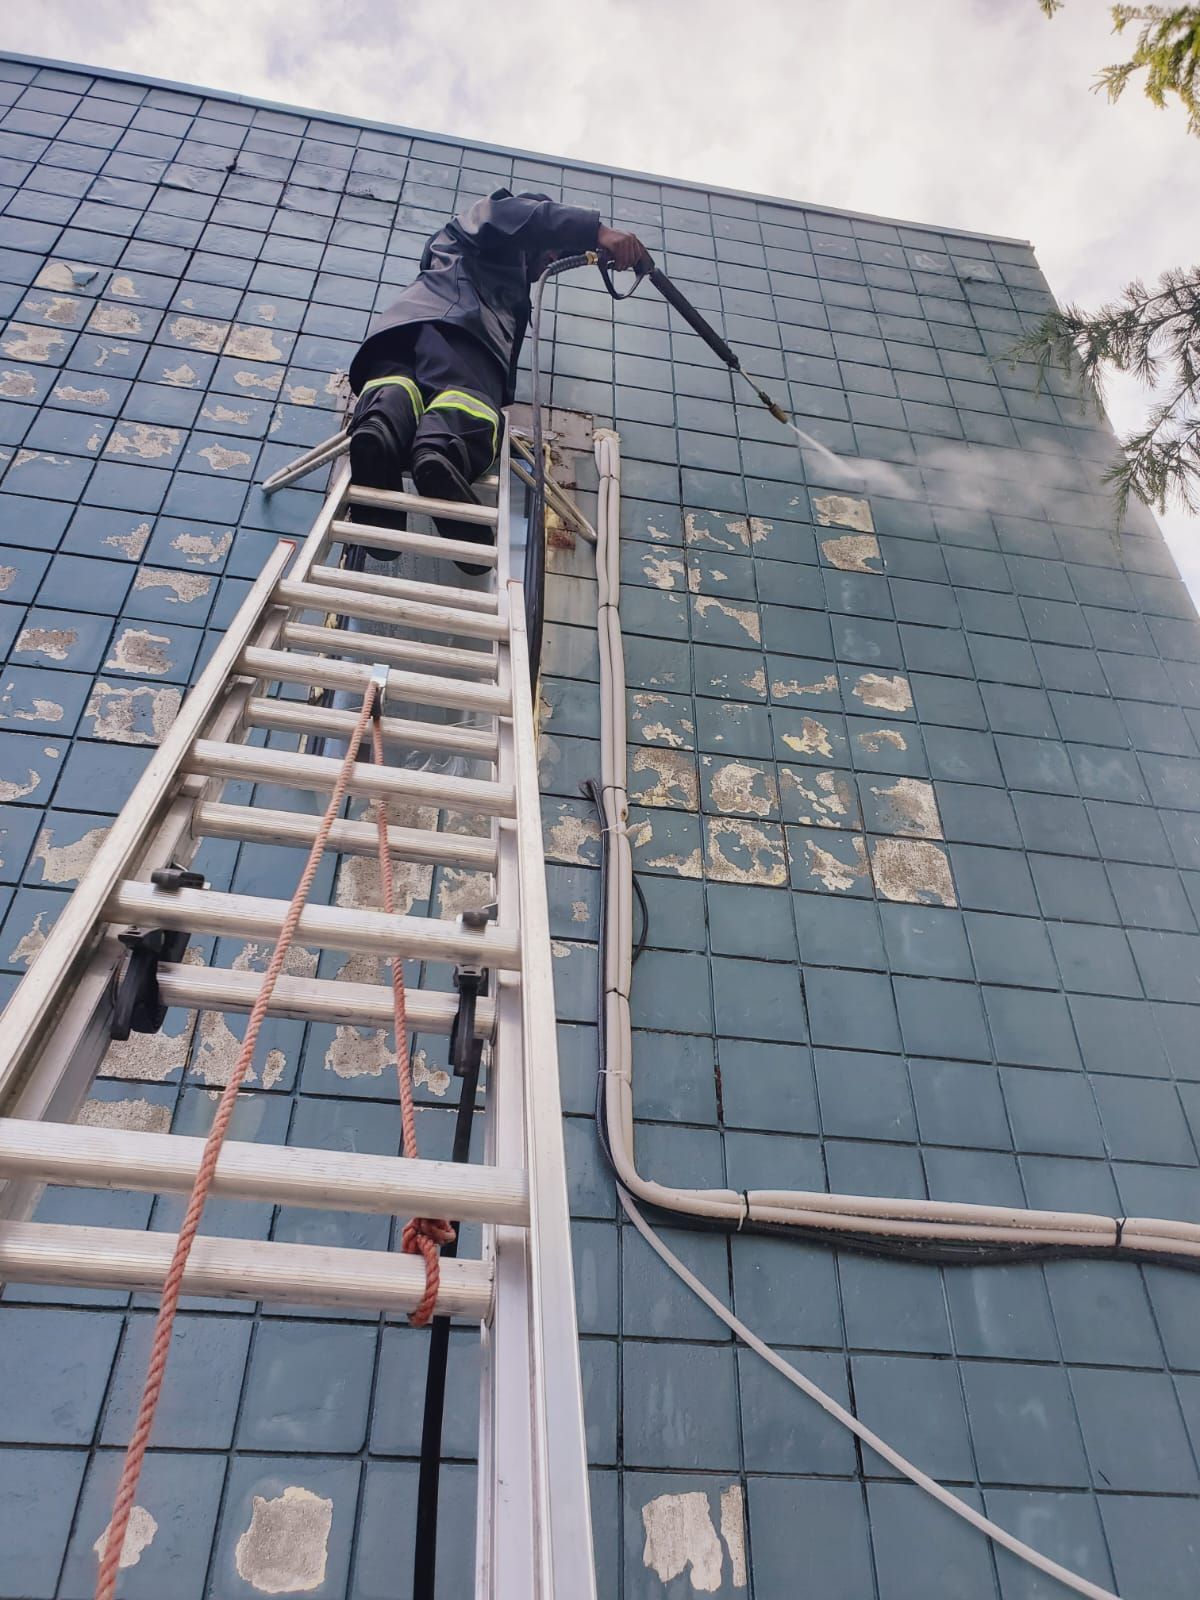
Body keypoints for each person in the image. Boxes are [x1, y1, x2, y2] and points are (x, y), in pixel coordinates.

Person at [346, 189, 647, 568]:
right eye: (550, 249)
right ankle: (440, 454)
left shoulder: (454, 247)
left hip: (399, 335)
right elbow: (526, 217)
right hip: (463, 333)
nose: (553, 259)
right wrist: (595, 231)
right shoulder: (495, 222)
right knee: (464, 404)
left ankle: (377, 438)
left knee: (395, 396)